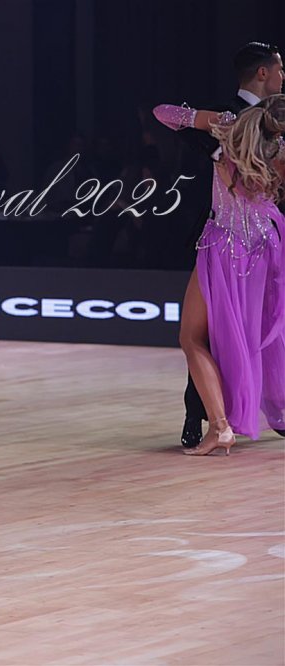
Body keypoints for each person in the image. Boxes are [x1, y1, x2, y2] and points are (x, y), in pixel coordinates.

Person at [153, 94, 285, 455]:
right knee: (253, 335)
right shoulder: (277, 153)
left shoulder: (227, 137)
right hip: (265, 248)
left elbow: (163, 113)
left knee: (192, 338)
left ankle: (220, 426)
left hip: (225, 246)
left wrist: (215, 120)